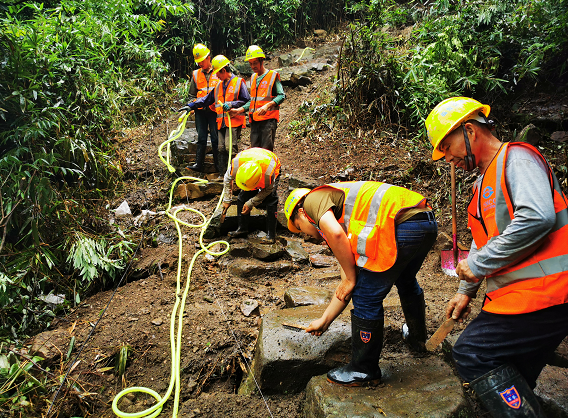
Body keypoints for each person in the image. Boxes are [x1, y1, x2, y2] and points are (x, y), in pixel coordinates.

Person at [426, 96, 568, 417]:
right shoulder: (482, 185)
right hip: (523, 296)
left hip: (548, 291)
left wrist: (476, 265)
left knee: (472, 352)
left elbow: (537, 217)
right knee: (515, 371)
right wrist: (465, 292)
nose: (448, 158)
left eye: (447, 147)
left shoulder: (517, 159)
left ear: (470, 131)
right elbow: (484, 241)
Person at [284, 181, 438, 386]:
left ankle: (363, 370)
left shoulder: (311, 201)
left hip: (402, 225)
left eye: (299, 228)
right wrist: (325, 320)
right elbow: (346, 285)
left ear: (302, 213)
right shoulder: (347, 217)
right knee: (405, 280)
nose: (305, 234)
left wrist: (350, 279)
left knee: (366, 296)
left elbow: (337, 239)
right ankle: (417, 338)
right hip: (425, 221)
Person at [183, 55, 250, 176]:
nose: (216, 76)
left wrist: (232, 104)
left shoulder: (239, 82)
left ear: (223, 70)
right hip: (221, 122)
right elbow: (206, 99)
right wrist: (191, 105)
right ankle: (222, 175)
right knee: (221, 148)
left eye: (217, 73)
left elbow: (246, 100)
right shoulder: (219, 85)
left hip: (233, 121)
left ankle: (234, 175)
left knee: (230, 148)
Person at [228, 45, 285, 151]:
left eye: (255, 63)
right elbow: (253, 100)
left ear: (261, 61)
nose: (253, 66)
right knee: (255, 151)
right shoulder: (253, 77)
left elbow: (281, 95)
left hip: (268, 121)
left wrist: (267, 106)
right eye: (250, 63)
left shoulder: (272, 76)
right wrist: (238, 110)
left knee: (265, 151)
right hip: (254, 121)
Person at [222, 147, 280, 243]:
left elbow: (267, 190)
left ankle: (271, 235)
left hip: (270, 164)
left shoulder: (269, 173)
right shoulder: (236, 164)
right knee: (242, 197)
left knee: (271, 199)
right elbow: (227, 179)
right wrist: (227, 199)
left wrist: (250, 203)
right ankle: (242, 228)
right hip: (251, 163)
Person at [184, 44, 220, 172]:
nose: (200, 64)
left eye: (202, 61)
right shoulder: (195, 74)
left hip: (214, 111)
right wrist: (192, 105)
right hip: (200, 112)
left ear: (208, 58)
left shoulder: (218, 71)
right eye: (198, 62)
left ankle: (218, 166)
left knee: (215, 138)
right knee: (201, 138)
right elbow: (191, 95)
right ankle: (198, 164)